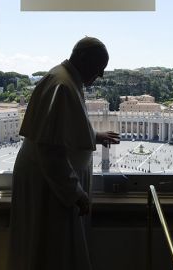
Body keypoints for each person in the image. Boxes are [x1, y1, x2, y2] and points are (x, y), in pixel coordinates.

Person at [8, 36, 120, 270]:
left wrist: (94, 137)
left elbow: (62, 130)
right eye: (99, 68)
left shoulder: (64, 79)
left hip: (49, 185)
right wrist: (75, 193)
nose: (100, 75)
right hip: (51, 189)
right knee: (53, 253)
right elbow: (50, 150)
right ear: (82, 59)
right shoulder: (63, 85)